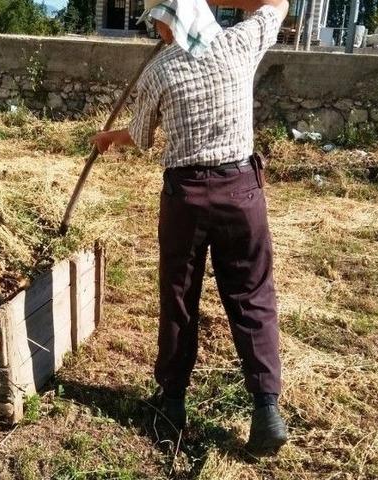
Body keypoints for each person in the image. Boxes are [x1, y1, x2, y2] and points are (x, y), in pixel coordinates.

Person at [92, 0, 290, 456]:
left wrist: (110, 138)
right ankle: (265, 407)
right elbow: (276, 3)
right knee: (252, 295)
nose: (157, 31)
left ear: (177, 19)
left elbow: (141, 136)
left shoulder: (159, 72)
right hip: (241, 191)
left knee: (180, 296)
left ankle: (173, 403)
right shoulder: (240, 43)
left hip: (186, 198)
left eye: (160, 21)